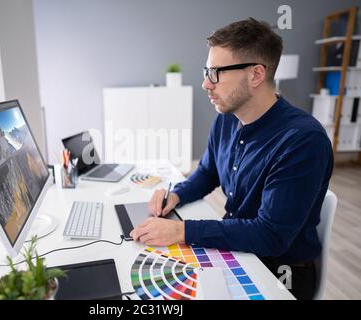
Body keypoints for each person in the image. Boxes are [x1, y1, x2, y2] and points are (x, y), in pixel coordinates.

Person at [130, 17, 333, 300]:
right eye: (206, 71)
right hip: (238, 248)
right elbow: (208, 172)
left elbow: (270, 235)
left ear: (256, 75)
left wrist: (181, 230)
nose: (205, 84)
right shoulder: (227, 119)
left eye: (215, 73)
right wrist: (176, 196)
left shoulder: (302, 140)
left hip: (280, 272)